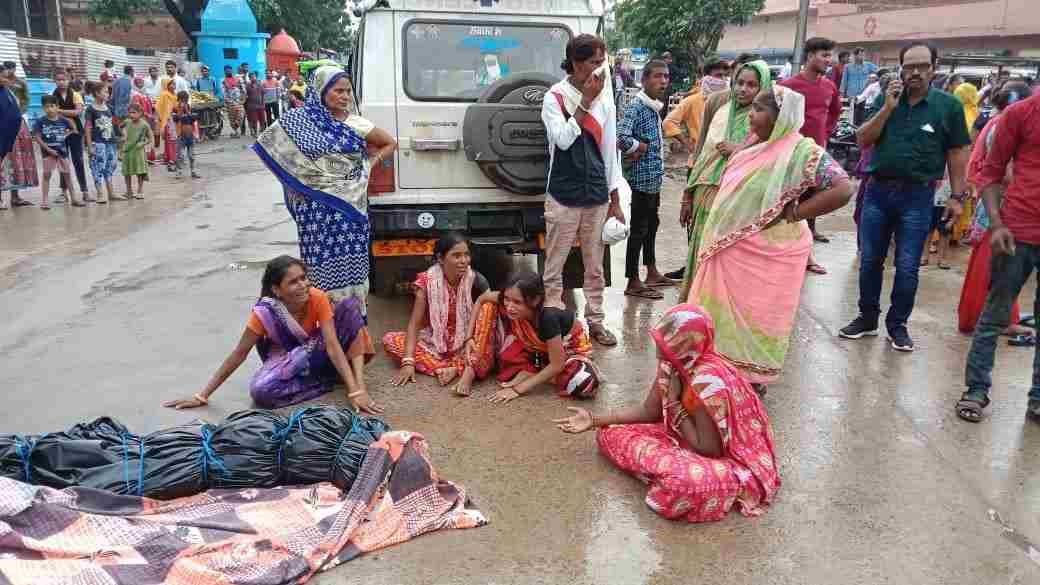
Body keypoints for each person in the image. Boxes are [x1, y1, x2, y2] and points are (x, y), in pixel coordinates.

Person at [687, 87, 853, 388]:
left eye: (760, 109)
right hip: (732, 249)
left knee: (757, 316)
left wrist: (795, 213)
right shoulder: (753, 145)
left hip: (771, 252)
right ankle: (718, 368)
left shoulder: (802, 151)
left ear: (782, 117)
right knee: (720, 314)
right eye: (753, 108)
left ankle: (751, 376)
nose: (751, 114)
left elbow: (843, 188)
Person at [554, 304, 780, 522]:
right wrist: (594, 420)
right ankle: (660, 473)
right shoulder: (675, 363)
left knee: (683, 483)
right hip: (686, 435)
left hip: (724, 457)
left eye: (666, 339)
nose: (658, 345)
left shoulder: (707, 382)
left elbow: (709, 449)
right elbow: (648, 410)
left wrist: (673, 403)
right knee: (609, 432)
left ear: (685, 343)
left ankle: (674, 478)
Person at [840, 43, 972, 352]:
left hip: (918, 196)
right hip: (877, 192)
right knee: (870, 260)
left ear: (934, 67)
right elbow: (863, 138)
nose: (914, 72)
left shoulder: (948, 107)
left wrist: (957, 196)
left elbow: (957, 151)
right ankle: (867, 318)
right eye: (909, 66)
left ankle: (897, 326)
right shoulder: (887, 99)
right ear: (901, 68)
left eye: (922, 66)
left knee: (908, 265)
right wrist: (887, 107)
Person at [254, 65, 397, 309]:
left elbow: (390, 143)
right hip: (315, 211)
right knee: (318, 264)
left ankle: (354, 322)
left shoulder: (357, 123)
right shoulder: (298, 121)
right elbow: (274, 150)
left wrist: (368, 165)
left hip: (349, 208)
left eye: (348, 91)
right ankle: (323, 319)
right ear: (320, 91)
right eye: (338, 90)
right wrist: (296, 186)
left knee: (353, 262)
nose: (344, 96)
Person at [163, 255, 380, 413]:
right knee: (261, 392)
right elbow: (239, 354)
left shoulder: (317, 297)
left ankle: (354, 381)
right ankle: (326, 380)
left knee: (349, 308)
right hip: (290, 358)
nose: (303, 285)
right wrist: (202, 395)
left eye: (304, 278)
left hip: (317, 351)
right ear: (277, 290)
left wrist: (356, 391)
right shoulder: (264, 312)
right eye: (293, 282)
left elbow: (332, 345)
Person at [955, 88, 1040, 422]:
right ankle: (975, 391)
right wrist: (997, 223)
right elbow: (991, 171)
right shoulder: (1021, 113)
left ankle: (1037, 398)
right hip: (1016, 230)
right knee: (995, 314)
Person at [541, 34, 624, 347]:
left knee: (595, 265)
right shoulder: (555, 97)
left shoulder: (605, 95)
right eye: (593, 63)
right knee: (555, 264)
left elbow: (609, 151)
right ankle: (553, 323)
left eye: (602, 63)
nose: (599, 70)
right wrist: (586, 103)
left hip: (595, 194)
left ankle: (596, 322)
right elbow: (562, 140)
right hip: (563, 194)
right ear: (576, 63)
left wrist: (615, 200)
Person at [678, 59, 772, 299]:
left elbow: (768, 160)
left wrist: (738, 151)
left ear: (763, 87)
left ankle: (720, 309)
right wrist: (687, 196)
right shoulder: (721, 110)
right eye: (739, 82)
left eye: (752, 85)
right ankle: (695, 306)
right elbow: (701, 154)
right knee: (701, 251)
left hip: (736, 201)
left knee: (725, 257)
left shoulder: (768, 122)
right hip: (705, 193)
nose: (743, 89)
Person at [957, 81, 1031, 336]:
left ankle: (981, 316)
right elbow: (1008, 172)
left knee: (985, 262)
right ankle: (998, 320)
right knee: (999, 264)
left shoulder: (996, 121)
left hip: (989, 201)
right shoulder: (1010, 125)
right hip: (1004, 204)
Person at [385, 234, 497, 396]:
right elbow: (414, 324)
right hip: (436, 343)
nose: (464, 261)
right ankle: (452, 368)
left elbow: (490, 316)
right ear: (440, 258)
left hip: (470, 342)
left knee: (489, 311)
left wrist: (469, 337)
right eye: (456, 256)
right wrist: (408, 362)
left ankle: (463, 368)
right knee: (391, 341)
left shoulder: (476, 280)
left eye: (466, 255)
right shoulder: (427, 282)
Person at [472, 271, 600, 403]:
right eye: (507, 299)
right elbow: (482, 299)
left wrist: (517, 390)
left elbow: (557, 365)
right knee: (490, 311)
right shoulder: (511, 299)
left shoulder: (548, 317)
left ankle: (535, 372)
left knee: (582, 382)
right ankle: (537, 371)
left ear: (536, 300)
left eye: (517, 302)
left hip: (569, 352)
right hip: (540, 352)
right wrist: (468, 338)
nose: (510, 307)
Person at [780, 37, 843, 272]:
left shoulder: (830, 87)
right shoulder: (787, 86)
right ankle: (778, 251)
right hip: (788, 155)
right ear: (809, 56)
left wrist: (825, 133)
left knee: (810, 207)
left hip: (816, 156)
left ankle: (806, 257)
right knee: (782, 203)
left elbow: (836, 112)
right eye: (824, 55)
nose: (829, 60)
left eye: (830, 55)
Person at [618, 60, 672, 300]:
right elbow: (620, 137)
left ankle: (651, 271)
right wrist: (638, 145)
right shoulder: (637, 107)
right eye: (658, 76)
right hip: (640, 182)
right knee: (639, 230)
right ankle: (632, 280)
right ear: (645, 80)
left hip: (654, 180)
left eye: (666, 77)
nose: (663, 81)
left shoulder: (653, 107)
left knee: (652, 225)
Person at [34, 95, 82, 210]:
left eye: (52, 106)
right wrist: (48, 149)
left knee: (67, 175)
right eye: (46, 107)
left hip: (62, 152)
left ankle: (73, 198)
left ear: (57, 107)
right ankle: (45, 201)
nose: (50, 109)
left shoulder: (63, 120)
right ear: (43, 108)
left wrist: (65, 135)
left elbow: (74, 128)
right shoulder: (41, 121)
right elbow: (37, 137)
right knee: (46, 175)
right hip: (48, 153)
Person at [0, 61, 38, 209]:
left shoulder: (13, 86)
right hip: (4, 134)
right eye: (3, 75)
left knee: (16, 162)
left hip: (16, 130)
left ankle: (15, 197)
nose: (5, 77)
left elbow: (25, 101)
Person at [52, 70, 90, 200]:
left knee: (78, 160)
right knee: (63, 161)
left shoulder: (75, 95)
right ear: (55, 81)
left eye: (64, 79)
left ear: (68, 80)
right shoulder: (53, 95)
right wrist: (65, 112)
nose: (61, 82)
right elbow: (51, 113)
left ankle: (84, 191)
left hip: (75, 132)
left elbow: (78, 112)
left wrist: (59, 111)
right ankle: (64, 192)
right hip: (59, 132)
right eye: (58, 79)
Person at [84, 83, 121, 203]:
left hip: (111, 142)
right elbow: (88, 128)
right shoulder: (90, 109)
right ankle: (100, 194)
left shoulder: (110, 107)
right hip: (98, 142)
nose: (108, 94)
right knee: (97, 167)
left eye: (108, 92)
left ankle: (111, 193)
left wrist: (121, 136)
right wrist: (89, 146)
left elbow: (115, 124)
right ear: (96, 93)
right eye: (105, 92)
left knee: (111, 166)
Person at [121, 102, 151, 200]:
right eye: (130, 113)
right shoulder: (127, 122)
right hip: (127, 151)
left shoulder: (144, 125)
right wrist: (123, 134)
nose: (131, 115)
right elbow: (119, 127)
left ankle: (140, 190)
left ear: (140, 113)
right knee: (127, 171)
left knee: (140, 172)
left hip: (138, 152)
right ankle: (129, 191)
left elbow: (150, 138)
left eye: (134, 113)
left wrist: (142, 143)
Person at [840, 48, 878, 123]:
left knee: (862, 114)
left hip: (864, 94)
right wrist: (841, 94)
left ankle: (860, 129)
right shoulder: (848, 66)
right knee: (851, 114)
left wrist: (873, 79)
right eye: (860, 55)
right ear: (855, 55)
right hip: (851, 94)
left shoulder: (868, 65)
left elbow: (880, 72)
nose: (862, 56)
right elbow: (844, 80)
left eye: (863, 55)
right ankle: (851, 130)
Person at [172, 90, 200, 179]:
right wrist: (180, 109)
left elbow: (194, 118)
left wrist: (187, 110)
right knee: (179, 155)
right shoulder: (175, 108)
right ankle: (179, 172)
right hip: (180, 135)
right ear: (178, 100)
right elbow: (176, 118)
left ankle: (193, 171)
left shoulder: (191, 108)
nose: (183, 102)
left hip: (190, 135)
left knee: (191, 155)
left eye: (185, 100)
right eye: (181, 100)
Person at [155, 79, 179, 171]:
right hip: (168, 120)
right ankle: (171, 159)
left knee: (171, 140)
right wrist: (163, 117)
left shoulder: (173, 94)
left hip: (173, 119)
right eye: (171, 84)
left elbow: (175, 106)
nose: (173, 86)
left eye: (174, 84)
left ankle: (169, 157)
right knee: (171, 140)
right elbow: (158, 107)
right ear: (166, 85)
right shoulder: (164, 95)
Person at [223, 66, 246, 138]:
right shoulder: (224, 81)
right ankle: (235, 132)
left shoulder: (237, 79)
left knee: (241, 115)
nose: (228, 71)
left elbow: (243, 89)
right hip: (230, 103)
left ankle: (237, 128)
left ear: (232, 70)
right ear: (225, 72)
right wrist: (227, 101)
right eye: (226, 70)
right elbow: (224, 92)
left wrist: (243, 99)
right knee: (232, 118)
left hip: (238, 102)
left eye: (229, 70)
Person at [245, 71, 266, 137]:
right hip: (251, 106)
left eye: (254, 77)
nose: (253, 78)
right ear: (249, 78)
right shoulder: (247, 86)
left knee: (262, 119)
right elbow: (245, 96)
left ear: (256, 77)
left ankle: (262, 131)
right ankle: (255, 132)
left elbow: (263, 94)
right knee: (254, 120)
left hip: (260, 105)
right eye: (251, 77)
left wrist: (263, 104)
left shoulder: (260, 84)